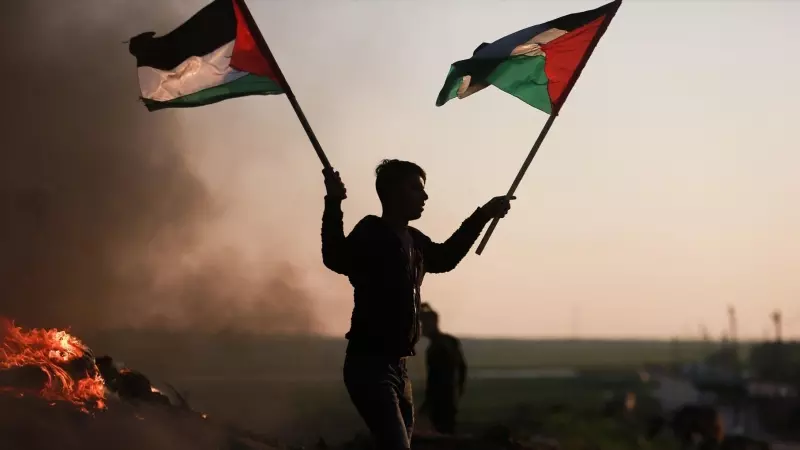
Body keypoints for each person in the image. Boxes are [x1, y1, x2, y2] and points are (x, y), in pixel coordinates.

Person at [320, 159, 513, 450]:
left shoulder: (415, 241)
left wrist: (484, 215)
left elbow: (446, 257)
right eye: (416, 189)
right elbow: (335, 257)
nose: (424, 197)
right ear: (393, 192)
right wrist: (333, 202)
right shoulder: (372, 232)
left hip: (399, 368)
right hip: (369, 365)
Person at [419, 302, 466, 435]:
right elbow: (462, 369)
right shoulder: (450, 342)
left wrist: (428, 403)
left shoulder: (436, 348)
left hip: (441, 402)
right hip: (450, 399)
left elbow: (435, 381)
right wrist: (459, 390)